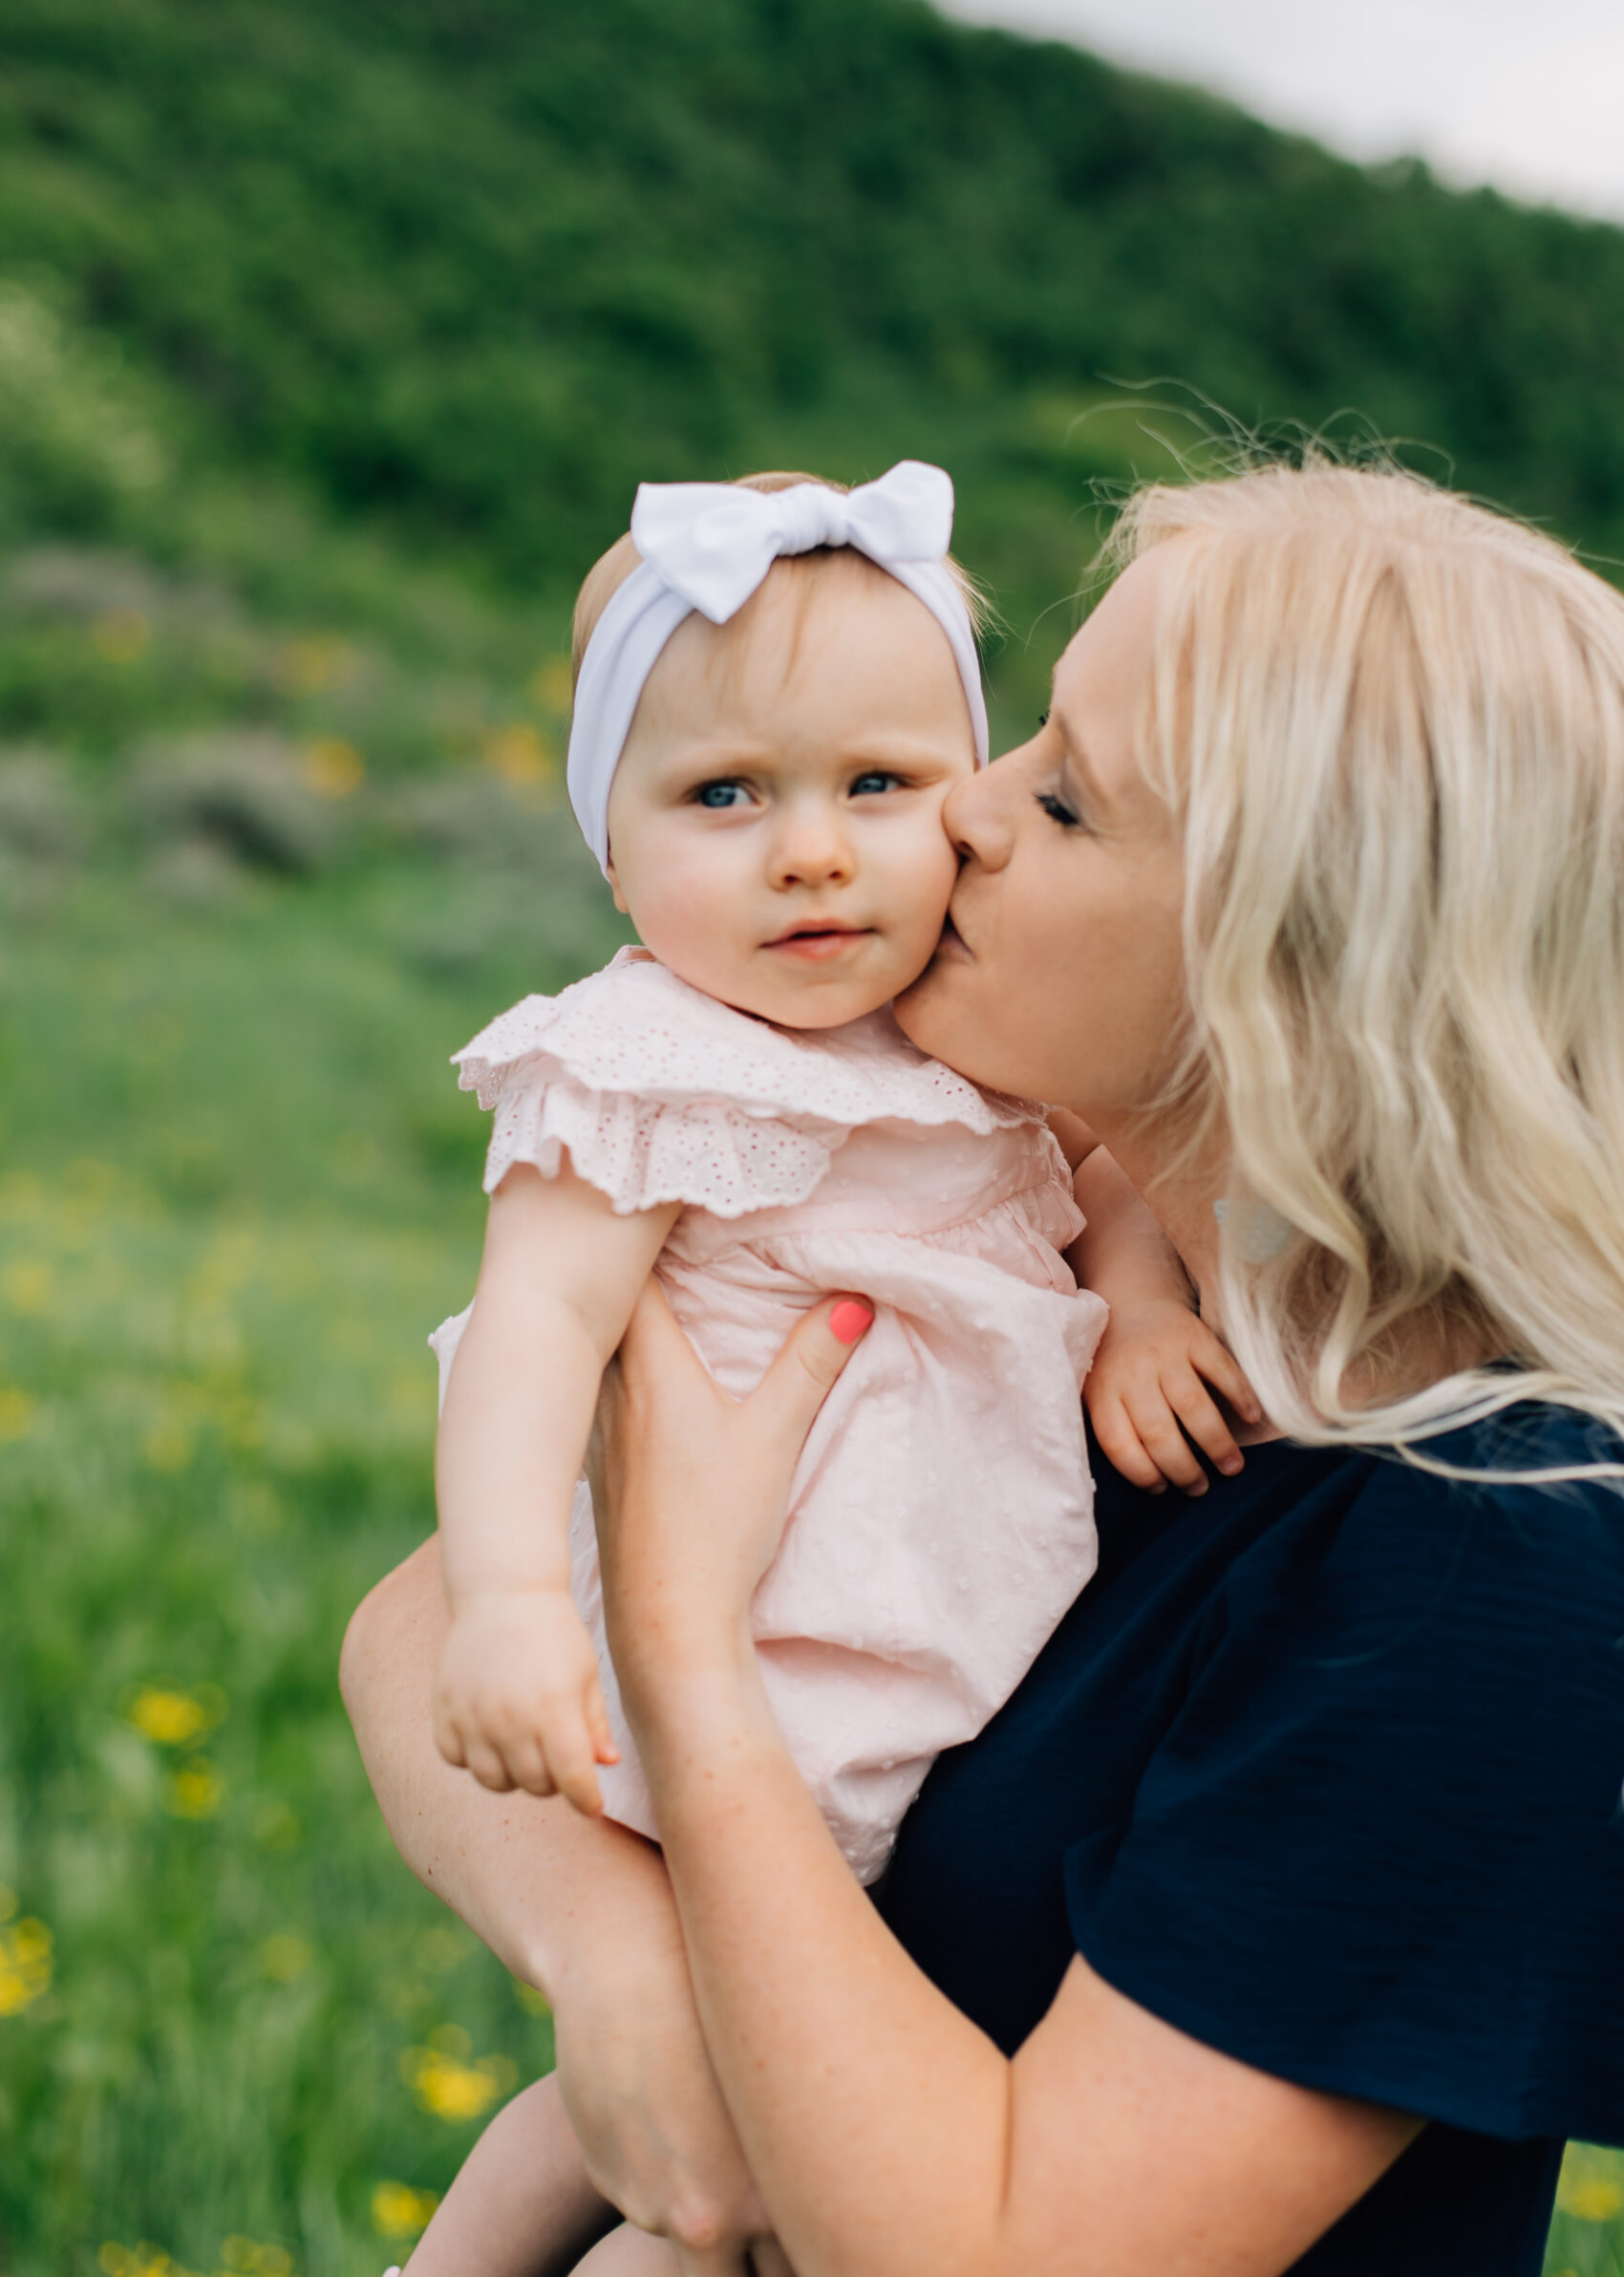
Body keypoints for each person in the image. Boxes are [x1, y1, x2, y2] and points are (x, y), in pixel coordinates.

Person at [345, 458, 1624, 2277]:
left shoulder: (1497, 1562)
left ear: (1293, 959)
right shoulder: (1027, 1291)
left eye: (1072, 797)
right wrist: (620, 1974)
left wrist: (688, 1672)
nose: (964, 812)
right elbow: (412, 1625)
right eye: (1019, 738)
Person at [399, 461, 1250, 2275]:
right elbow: (538, 1330)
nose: (812, 849)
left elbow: (1097, 1180)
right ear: (611, 851)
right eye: (726, 796)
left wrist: (1150, 1304)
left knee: (768, 2152)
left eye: (880, 784)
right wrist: (499, 1605)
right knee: (703, 2107)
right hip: (754, 1655)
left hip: (902, 1685)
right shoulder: (651, 1064)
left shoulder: (968, 1037)